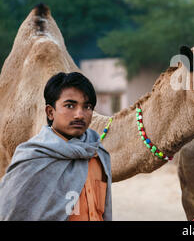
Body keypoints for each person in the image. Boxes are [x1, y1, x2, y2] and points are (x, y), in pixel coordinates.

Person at [0, 72, 112, 221]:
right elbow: (10, 213)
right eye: (70, 105)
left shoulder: (99, 155)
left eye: (87, 107)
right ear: (50, 112)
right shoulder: (33, 159)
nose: (80, 114)